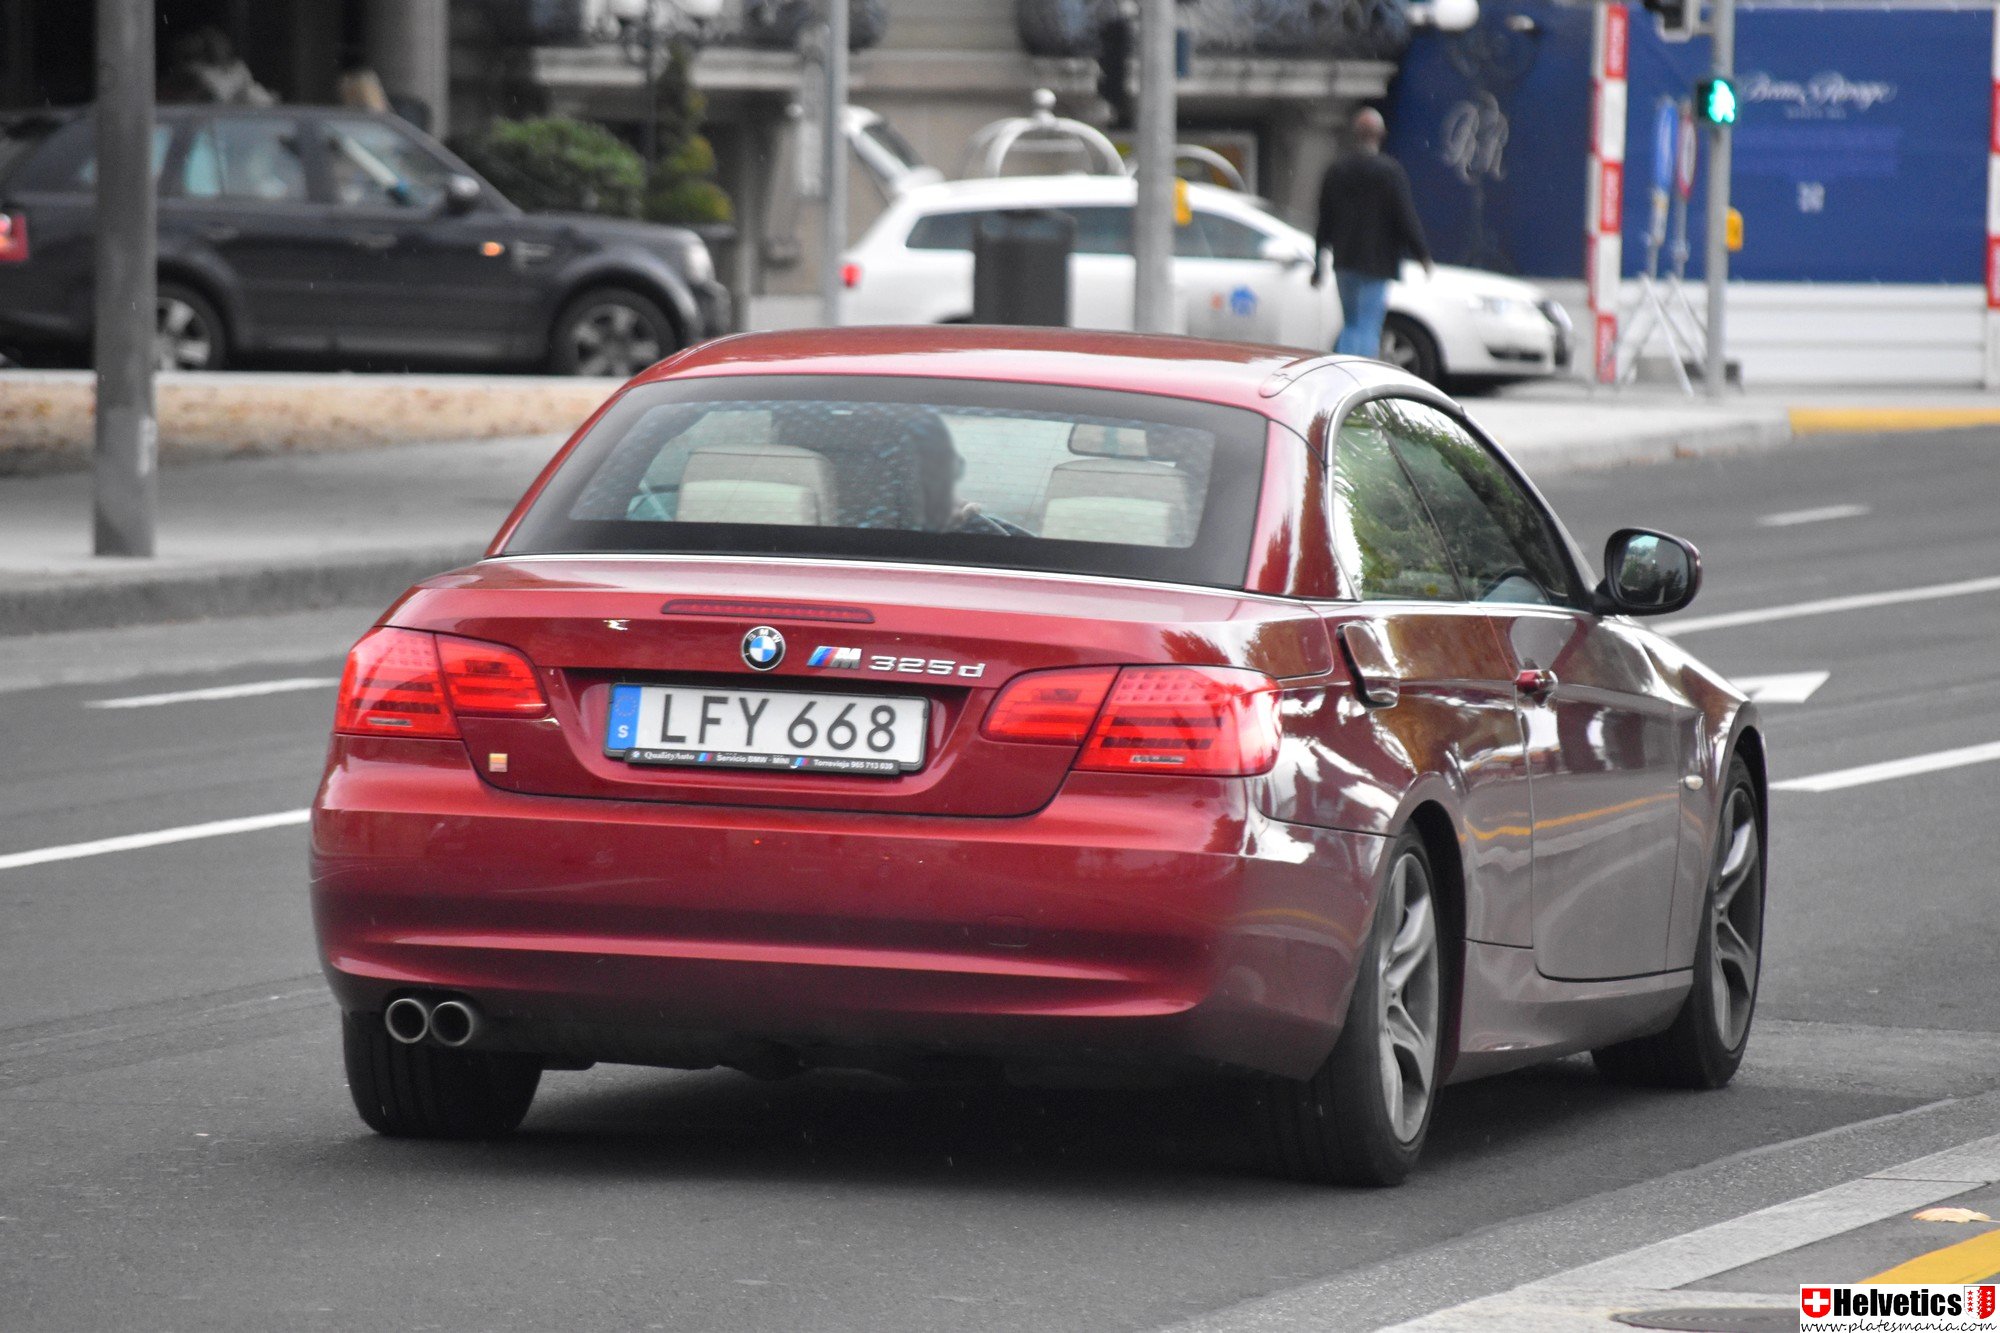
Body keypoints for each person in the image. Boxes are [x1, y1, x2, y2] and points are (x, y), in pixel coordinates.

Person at [1313, 107, 1434, 358]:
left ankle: (1344, 368)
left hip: (1345, 259)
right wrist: (1421, 253)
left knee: (1351, 323)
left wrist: (1318, 261)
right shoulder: (1389, 172)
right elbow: (1405, 216)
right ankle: (1362, 375)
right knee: (1368, 326)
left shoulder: (1337, 170)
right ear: (1380, 135)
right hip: (1377, 262)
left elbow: (1324, 218)